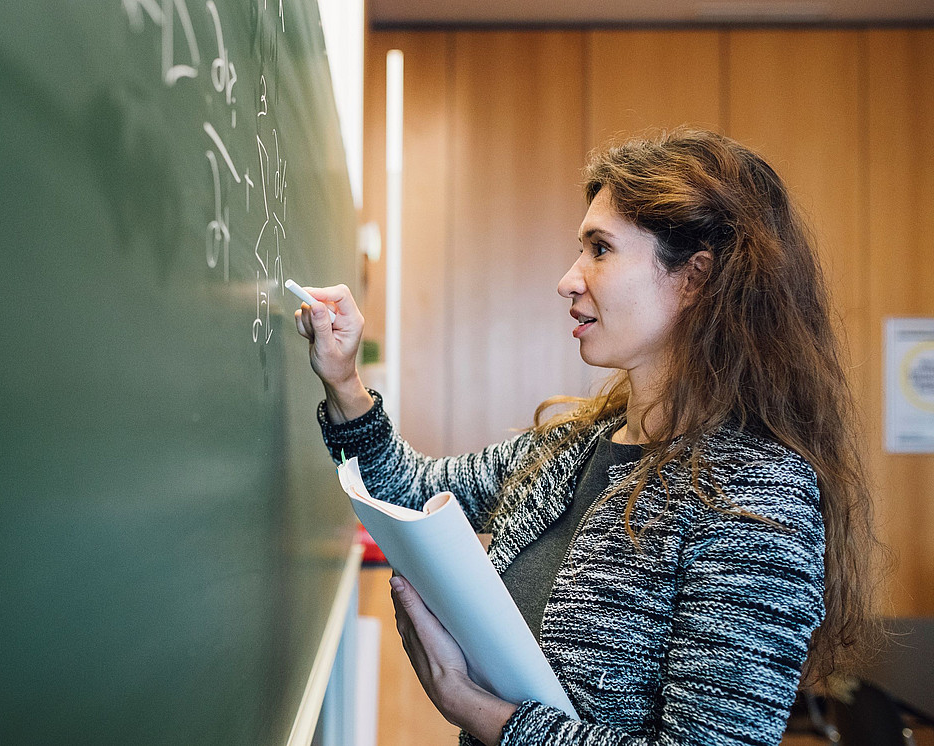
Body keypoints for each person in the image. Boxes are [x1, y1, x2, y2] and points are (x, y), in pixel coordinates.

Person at [294, 128, 881, 746]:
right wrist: (344, 382)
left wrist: (476, 710)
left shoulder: (756, 493)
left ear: (695, 279)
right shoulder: (572, 446)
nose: (568, 280)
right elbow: (410, 493)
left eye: (600, 249)